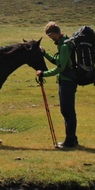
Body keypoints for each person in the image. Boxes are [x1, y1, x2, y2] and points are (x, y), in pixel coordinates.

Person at [37, 21, 78, 149]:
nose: (50, 39)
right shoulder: (63, 44)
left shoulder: (65, 46)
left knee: (67, 111)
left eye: (50, 36)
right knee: (68, 111)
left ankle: (70, 142)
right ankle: (72, 139)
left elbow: (60, 68)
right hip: (66, 81)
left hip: (67, 81)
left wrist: (44, 74)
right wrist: (45, 55)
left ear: (54, 33)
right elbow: (58, 61)